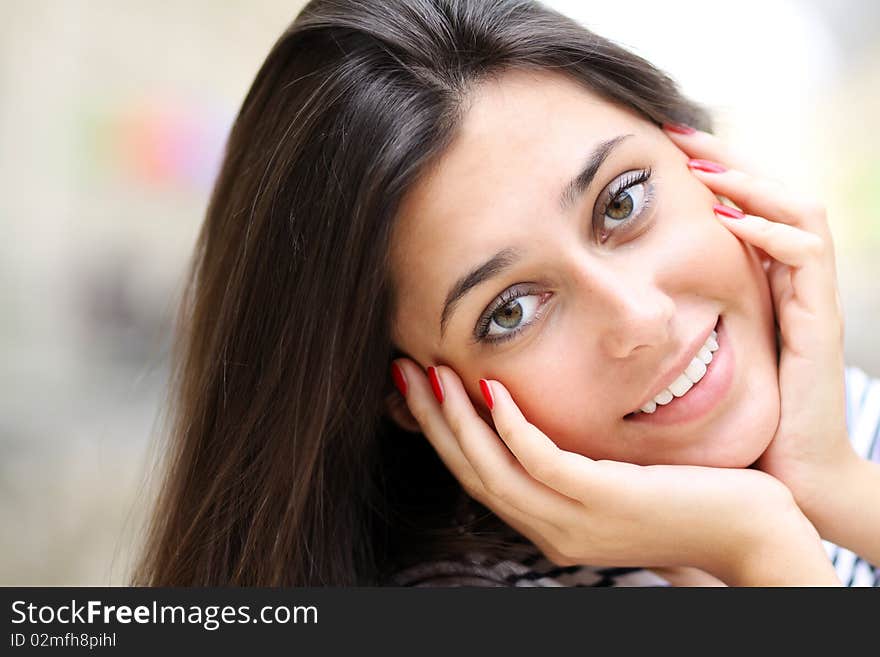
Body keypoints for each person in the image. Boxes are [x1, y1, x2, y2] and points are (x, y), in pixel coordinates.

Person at [131, 0, 880, 587]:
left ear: (693, 150)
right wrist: (763, 550)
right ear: (413, 397)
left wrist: (835, 486)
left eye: (620, 202)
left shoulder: (839, 418)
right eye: (510, 311)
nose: (641, 318)